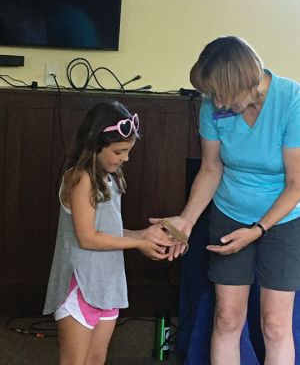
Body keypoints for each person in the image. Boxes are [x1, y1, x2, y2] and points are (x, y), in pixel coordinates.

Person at [151, 36, 300, 365]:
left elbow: (295, 184)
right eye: (211, 94)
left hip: (284, 220)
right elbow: (210, 169)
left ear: (244, 81)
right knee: (227, 318)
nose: (216, 103)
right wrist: (186, 222)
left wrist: (259, 228)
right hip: (229, 213)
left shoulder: (292, 99)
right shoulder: (212, 105)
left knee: (275, 325)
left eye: (220, 93)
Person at [43, 101, 175, 365]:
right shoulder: (80, 178)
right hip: (80, 285)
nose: (125, 158)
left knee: (96, 359)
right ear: (95, 143)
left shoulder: (110, 177)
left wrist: (144, 235)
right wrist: (137, 245)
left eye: (127, 151)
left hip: (107, 284)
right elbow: (87, 237)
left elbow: (109, 231)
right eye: (119, 151)